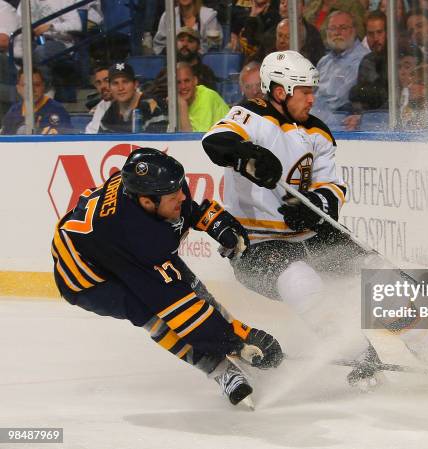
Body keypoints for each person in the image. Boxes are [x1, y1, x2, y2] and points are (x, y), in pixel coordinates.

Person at [52, 147, 283, 406]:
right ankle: (220, 371)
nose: (182, 196)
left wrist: (216, 224)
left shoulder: (153, 186)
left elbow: (185, 208)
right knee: (151, 314)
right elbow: (179, 308)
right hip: (89, 279)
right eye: (174, 195)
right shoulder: (139, 242)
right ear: (146, 202)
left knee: (194, 290)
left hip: (118, 246)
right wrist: (237, 340)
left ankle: (228, 342)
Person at [201, 50, 364, 342]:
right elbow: (216, 140)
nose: (312, 99)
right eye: (304, 92)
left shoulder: (318, 132)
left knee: (375, 276)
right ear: (280, 91)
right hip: (256, 246)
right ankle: (358, 354)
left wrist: (316, 206)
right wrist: (249, 156)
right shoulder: (253, 114)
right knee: (301, 281)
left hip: (309, 236)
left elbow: (332, 187)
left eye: (312, 91)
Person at [310, 11, 369, 121]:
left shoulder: (364, 59)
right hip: (316, 121)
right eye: (332, 28)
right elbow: (312, 94)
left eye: (343, 28)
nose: (337, 33)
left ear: (354, 31)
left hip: (342, 124)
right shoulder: (323, 62)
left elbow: (339, 100)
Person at [99, 62, 168, 133]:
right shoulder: (110, 112)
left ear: (135, 84)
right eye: (115, 83)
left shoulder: (152, 106)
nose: (120, 88)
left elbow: (157, 141)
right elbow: (101, 142)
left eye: (125, 82)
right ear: (110, 88)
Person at [1, 67, 72, 135]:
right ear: (18, 88)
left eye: (36, 85)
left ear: (43, 86)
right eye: (25, 86)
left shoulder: (57, 110)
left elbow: (66, 139)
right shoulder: (14, 111)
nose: (32, 90)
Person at [153, 0, 223, 55]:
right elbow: (160, 46)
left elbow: (213, 46)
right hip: (175, 65)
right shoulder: (168, 16)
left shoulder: (209, 16)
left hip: (202, 64)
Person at [177, 62, 229, 132]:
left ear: (195, 80)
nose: (183, 86)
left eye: (187, 81)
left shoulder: (207, 97)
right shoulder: (176, 101)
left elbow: (194, 140)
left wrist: (183, 107)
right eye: (178, 82)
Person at [85, 65, 112, 134]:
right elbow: (91, 133)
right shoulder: (102, 106)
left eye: (107, 80)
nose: (102, 86)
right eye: (98, 83)